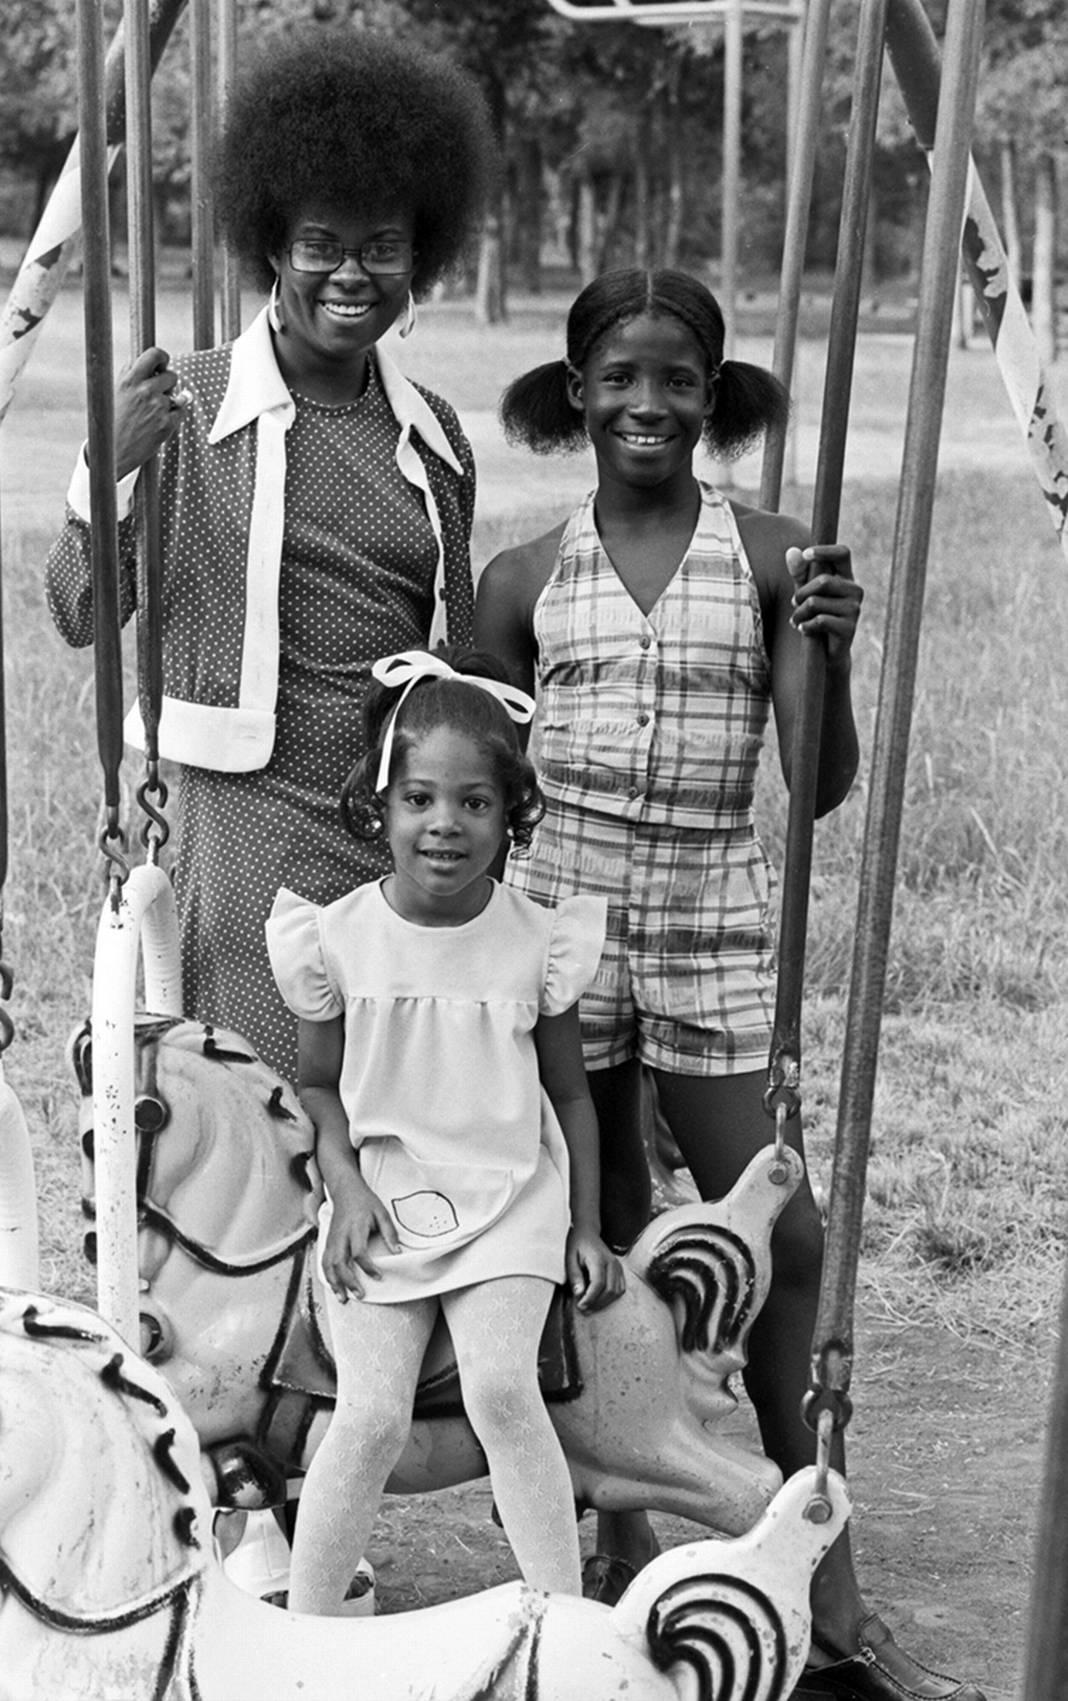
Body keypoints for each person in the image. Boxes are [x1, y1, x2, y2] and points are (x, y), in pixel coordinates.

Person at [474, 268, 984, 1701]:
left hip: (710, 915)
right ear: (577, 390)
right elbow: (476, 781)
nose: (649, 403)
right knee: (606, 1238)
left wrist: (827, 646)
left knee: (789, 1234)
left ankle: (822, 1566)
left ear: (714, 397)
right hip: (564, 924)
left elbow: (811, 790)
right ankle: (621, 1534)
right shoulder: (522, 581)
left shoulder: (769, 556)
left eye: (679, 380)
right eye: (621, 377)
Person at [45, 29, 495, 1086]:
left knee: (386, 1095)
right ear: (272, 244)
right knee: (261, 1098)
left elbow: (462, 652)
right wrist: (101, 471)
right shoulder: (186, 405)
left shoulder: (434, 433)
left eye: (383, 246)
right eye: (321, 243)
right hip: (245, 815)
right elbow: (75, 612)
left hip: (390, 811)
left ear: (418, 253)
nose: (352, 273)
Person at [264, 647, 625, 1614]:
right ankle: (305, 1637)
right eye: (419, 798)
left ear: (512, 816)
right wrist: (344, 1188)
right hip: (384, 1190)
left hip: (510, 1194)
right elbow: (316, 1085)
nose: (445, 825)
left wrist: (583, 1225)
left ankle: (559, 1626)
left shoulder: (535, 941)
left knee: (505, 1390)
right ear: (379, 807)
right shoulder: (334, 938)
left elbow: (572, 1098)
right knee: (372, 1413)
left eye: (475, 803)